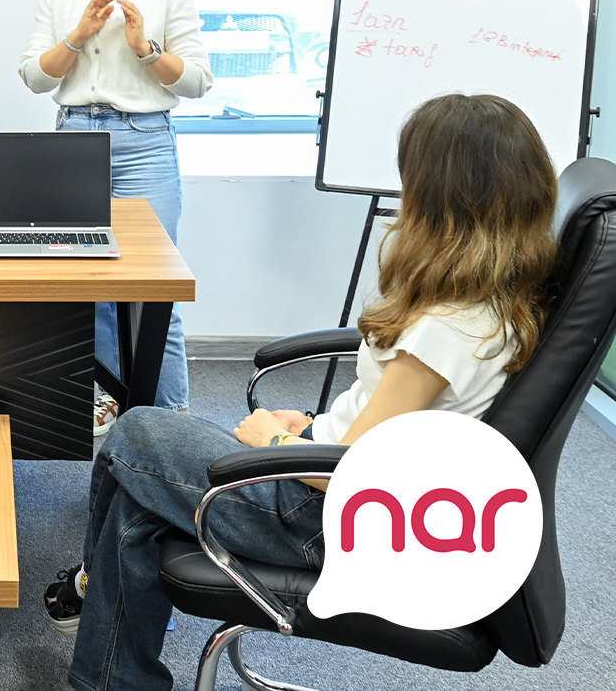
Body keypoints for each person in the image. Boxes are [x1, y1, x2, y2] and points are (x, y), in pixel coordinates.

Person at [46, 93, 560, 691]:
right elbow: (402, 423)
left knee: (136, 432)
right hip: (340, 482)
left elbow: (357, 475)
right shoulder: (495, 299)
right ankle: (110, 679)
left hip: (326, 517)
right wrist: (317, 425)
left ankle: (90, 597)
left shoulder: (445, 331)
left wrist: (277, 441)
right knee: (139, 508)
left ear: (441, 199)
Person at [17, 0, 213, 430]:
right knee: (89, 281)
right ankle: (107, 397)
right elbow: (34, 77)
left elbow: (197, 82)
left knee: (154, 284)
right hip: (75, 140)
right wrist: (78, 35)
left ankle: (169, 413)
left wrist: (145, 48)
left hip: (143, 140)